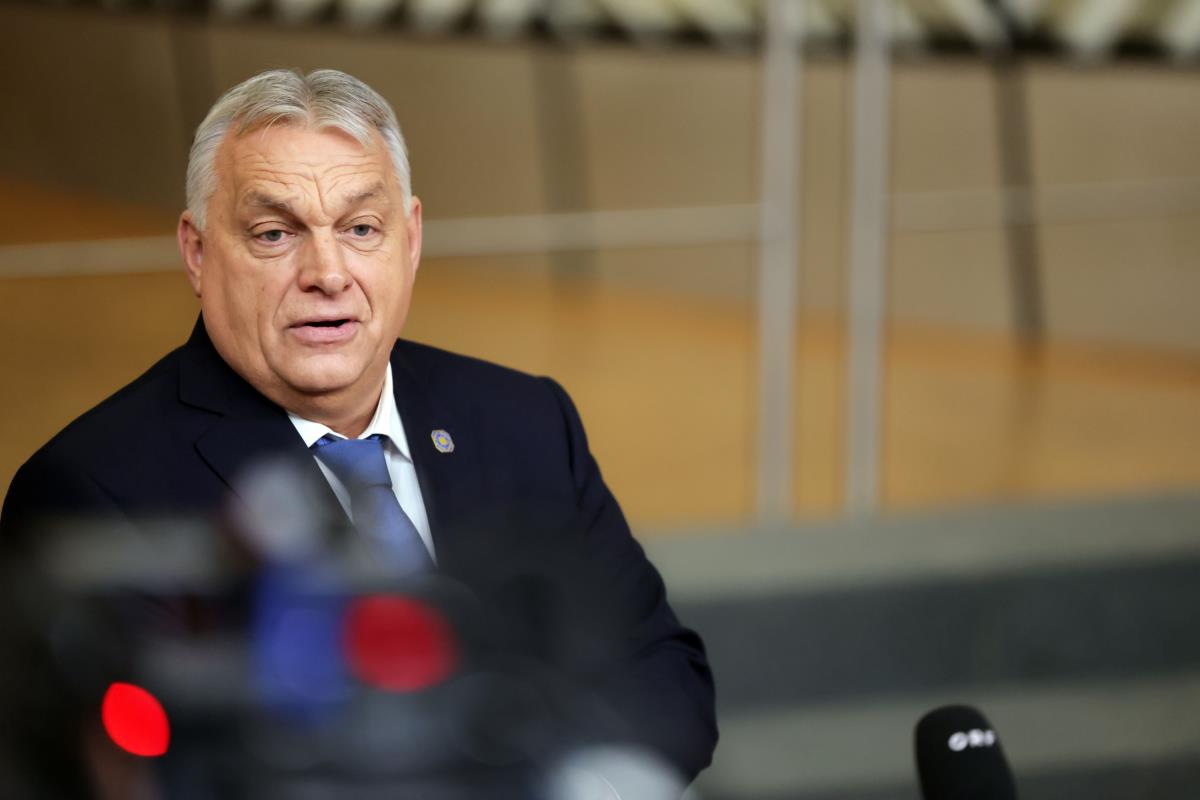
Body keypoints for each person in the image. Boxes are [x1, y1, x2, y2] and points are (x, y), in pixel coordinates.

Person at [0, 69, 716, 791]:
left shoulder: (526, 420)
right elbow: (147, 774)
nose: (328, 273)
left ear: (411, 239)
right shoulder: (89, 488)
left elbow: (663, 680)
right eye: (274, 233)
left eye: (361, 229)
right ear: (197, 252)